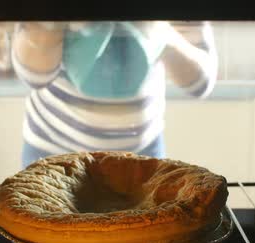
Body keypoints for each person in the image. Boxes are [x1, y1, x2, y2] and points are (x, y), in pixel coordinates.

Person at [11, 21, 217, 168]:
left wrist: (158, 30)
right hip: (52, 153)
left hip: (143, 157)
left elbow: (201, 83)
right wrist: (57, 21)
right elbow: (31, 76)